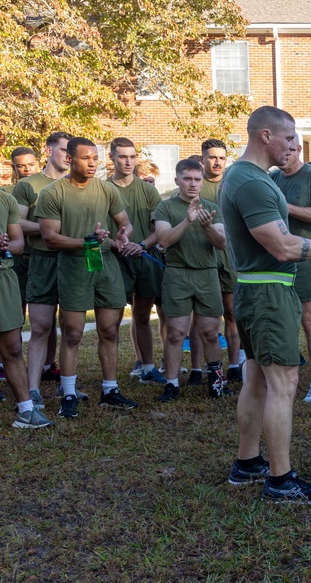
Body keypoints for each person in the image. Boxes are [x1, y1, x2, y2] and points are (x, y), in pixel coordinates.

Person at [221, 106, 311, 503]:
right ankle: (280, 480)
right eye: (289, 138)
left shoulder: (242, 176)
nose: (293, 146)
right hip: (267, 291)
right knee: (284, 382)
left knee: (257, 377)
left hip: (254, 288)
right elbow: (282, 246)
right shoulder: (253, 182)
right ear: (265, 136)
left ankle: (247, 463)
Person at [35, 137, 140, 418]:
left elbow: (125, 222)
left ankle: (110, 390)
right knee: (72, 333)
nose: (92, 163)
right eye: (85, 158)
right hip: (74, 265)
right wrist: (85, 242)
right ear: (69, 159)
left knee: (109, 330)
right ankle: (68, 392)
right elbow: (50, 237)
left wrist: (123, 234)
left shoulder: (105, 189)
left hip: (105, 263)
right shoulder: (53, 193)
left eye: (95, 158)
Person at [153, 159, 229, 402]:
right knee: (175, 333)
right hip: (177, 274)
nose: (193, 184)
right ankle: (172, 384)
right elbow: (164, 240)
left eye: (197, 179)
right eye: (187, 179)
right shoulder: (166, 208)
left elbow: (222, 243)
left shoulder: (212, 207)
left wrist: (206, 226)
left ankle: (216, 382)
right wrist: (187, 220)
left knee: (210, 331)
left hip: (207, 274)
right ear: (177, 180)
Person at [270, 145, 311, 402]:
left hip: (310, 258)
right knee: (282, 321)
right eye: (281, 148)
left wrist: (286, 207)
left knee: (310, 323)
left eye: (290, 148)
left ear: (298, 148)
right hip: (280, 257)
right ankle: (283, 377)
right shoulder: (273, 177)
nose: (284, 154)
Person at [14, 132, 72, 409]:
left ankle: (68, 387)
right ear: (48, 150)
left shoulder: (80, 184)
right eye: (63, 150)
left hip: (73, 260)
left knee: (71, 328)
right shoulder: (29, 184)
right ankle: (33, 389)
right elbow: (18, 224)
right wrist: (50, 229)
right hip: (41, 259)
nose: (68, 156)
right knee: (40, 326)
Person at [108, 138, 165, 385]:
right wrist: (117, 244)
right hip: (114, 260)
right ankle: (109, 377)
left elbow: (159, 231)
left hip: (144, 257)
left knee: (142, 316)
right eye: (122, 156)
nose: (128, 161)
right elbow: (95, 229)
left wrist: (140, 244)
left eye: (132, 156)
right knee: (111, 322)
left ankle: (148, 368)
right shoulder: (101, 189)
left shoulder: (148, 190)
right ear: (111, 157)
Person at [0, 186, 52, 427]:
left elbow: (18, 245)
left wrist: (4, 244)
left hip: (2, 277)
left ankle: (26, 410)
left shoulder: (5, 199)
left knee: (13, 346)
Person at [199, 138, 242, 384]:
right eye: (212, 157)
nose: (217, 162)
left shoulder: (232, 184)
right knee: (207, 318)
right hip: (203, 257)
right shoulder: (194, 184)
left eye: (222, 158)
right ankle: (205, 368)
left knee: (232, 313)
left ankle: (235, 364)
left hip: (231, 257)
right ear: (203, 158)